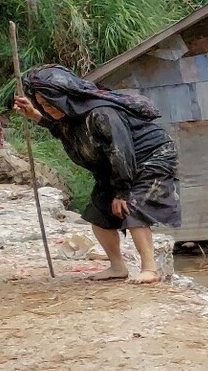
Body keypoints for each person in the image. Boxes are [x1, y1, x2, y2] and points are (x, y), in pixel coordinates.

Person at [12, 65, 181, 284]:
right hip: (115, 166)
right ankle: (117, 267)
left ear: (64, 98)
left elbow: (121, 151)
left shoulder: (101, 113)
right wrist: (36, 115)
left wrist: (121, 192)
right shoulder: (72, 115)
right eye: (43, 105)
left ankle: (150, 269)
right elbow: (63, 129)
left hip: (149, 157)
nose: (48, 109)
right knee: (98, 215)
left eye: (49, 104)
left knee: (133, 207)